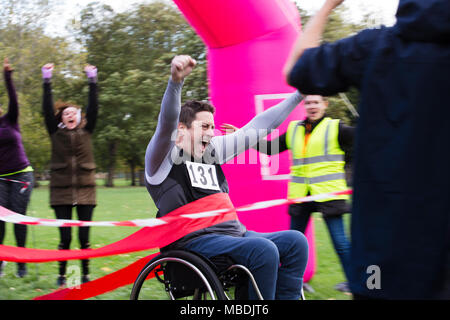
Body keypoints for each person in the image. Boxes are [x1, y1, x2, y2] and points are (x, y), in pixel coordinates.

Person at [284, 0, 450, 299]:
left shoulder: (374, 47)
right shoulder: (297, 130)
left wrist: (326, 8)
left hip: (380, 260)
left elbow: (296, 67)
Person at [145, 55, 308, 300]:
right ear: (183, 129)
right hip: (194, 242)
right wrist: (175, 82)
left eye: (213, 127)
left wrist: (299, 95)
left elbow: (259, 126)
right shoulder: (163, 156)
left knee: (296, 242)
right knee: (263, 250)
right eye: (204, 127)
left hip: (233, 234)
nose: (211, 133)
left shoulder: (213, 150)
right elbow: (166, 122)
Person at [222, 94, 354, 293]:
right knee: (293, 244)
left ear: (325, 105)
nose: (312, 106)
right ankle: (294, 283)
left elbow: (362, 139)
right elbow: (270, 148)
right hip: (302, 195)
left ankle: (354, 282)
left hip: (329, 194)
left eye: (316, 102)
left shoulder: (336, 128)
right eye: (308, 102)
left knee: (341, 243)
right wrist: (242, 136)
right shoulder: (295, 130)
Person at [41, 63, 98, 287]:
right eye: (66, 113)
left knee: (84, 239)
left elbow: (94, 108)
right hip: (61, 193)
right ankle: (62, 275)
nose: (70, 115)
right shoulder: (55, 133)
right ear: (61, 119)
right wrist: (47, 81)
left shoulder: (87, 131)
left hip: (86, 191)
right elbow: (46, 109)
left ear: (79, 116)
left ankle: (85, 274)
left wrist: (92, 81)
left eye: (73, 112)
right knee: (65, 239)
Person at [0, 58, 34, 278]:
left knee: (18, 216)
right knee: (1, 218)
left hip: (22, 174)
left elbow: (14, 99)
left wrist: (7, 76)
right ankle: (2, 259)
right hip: (1, 178)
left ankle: (21, 262)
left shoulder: (9, 120)